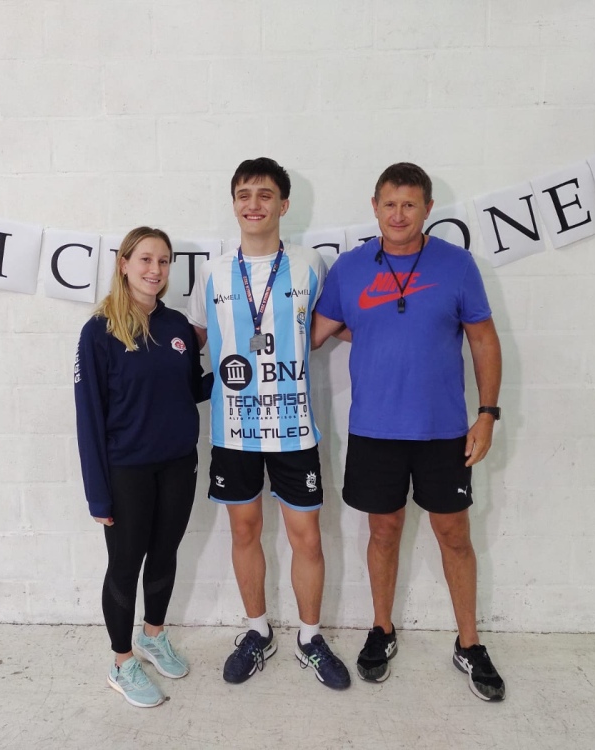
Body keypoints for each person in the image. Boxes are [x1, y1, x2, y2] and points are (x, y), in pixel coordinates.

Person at [312, 162, 507, 702]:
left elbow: (484, 341)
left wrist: (487, 413)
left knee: (455, 537)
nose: (399, 214)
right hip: (375, 430)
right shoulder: (349, 269)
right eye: (389, 204)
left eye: (410, 204)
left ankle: (469, 644)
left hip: (444, 431)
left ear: (426, 210)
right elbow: (312, 335)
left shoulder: (457, 264)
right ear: (374, 207)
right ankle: (382, 629)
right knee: (383, 532)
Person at [187, 158, 350, 690]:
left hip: (294, 430)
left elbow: (335, 323)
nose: (252, 203)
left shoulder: (310, 265)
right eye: (243, 194)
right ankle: (258, 632)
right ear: (233, 204)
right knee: (245, 529)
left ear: (283, 205)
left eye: (264, 194)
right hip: (233, 430)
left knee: (307, 537)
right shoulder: (211, 273)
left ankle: (309, 637)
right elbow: (191, 342)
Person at [74, 226, 210, 708]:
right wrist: (98, 493)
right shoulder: (99, 332)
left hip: (178, 464)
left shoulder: (177, 327)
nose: (156, 270)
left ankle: (153, 635)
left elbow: (194, 390)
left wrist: (241, 367)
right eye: (146, 260)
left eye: (165, 262)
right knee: (125, 565)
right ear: (124, 264)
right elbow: (89, 415)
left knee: (166, 553)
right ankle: (121, 661)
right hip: (126, 470)